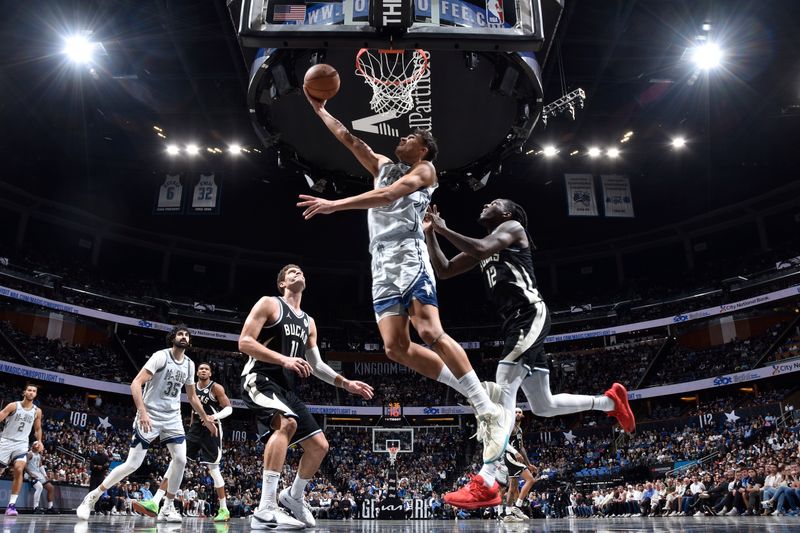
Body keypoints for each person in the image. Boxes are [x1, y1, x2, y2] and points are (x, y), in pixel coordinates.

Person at [298, 91, 510, 470]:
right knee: (395, 348)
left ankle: (484, 408)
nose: (400, 140)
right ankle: (476, 393)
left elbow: (390, 195)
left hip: (409, 253)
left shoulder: (426, 171)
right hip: (380, 262)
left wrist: (335, 205)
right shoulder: (381, 164)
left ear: (425, 148)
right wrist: (320, 110)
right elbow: (349, 138)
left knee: (430, 332)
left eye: (409, 137)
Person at [423, 200, 635, 507]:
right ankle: (609, 401)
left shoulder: (512, 228)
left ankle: (487, 479)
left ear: (507, 214)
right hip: (514, 322)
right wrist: (432, 233)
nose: (486, 204)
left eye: (494, 203)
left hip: (529, 315)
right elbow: (443, 270)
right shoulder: (482, 244)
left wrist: (443, 228)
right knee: (543, 404)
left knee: (503, 388)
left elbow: (483, 249)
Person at [239, 264, 375, 530]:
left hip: (287, 389)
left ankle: (293, 496)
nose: (297, 273)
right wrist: (284, 359)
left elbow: (317, 365)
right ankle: (265, 509)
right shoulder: (269, 304)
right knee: (287, 423)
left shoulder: (308, 322)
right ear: (281, 283)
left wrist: (345, 383)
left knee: (319, 446)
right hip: (260, 377)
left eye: (300, 271)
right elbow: (244, 342)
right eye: (291, 272)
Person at [76, 324, 217, 522]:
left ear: (189, 341)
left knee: (181, 460)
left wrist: (206, 418)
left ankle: (167, 507)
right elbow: (136, 383)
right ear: (173, 338)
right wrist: (142, 412)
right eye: (180, 334)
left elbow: (192, 397)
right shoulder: (161, 356)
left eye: (187, 334)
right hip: (150, 414)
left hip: (172, 417)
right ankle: (92, 497)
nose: (184, 336)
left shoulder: (189, 364)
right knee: (132, 464)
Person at [141, 362, 233, 522]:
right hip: (195, 430)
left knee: (213, 470)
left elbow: (229, 408)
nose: (203, 371)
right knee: (176, 461)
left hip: (212, 430)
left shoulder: (215, 388)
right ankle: (156, 501)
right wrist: (191, 426)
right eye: (201, 369)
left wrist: (214, 417)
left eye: (206, 369)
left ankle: (224, 509)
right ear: (197, 372)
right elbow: (193, 409)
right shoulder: (191, 387)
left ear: (210, 373)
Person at [0, 383, 43, 516]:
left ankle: (11, 505)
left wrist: (39, 441)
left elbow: (37, 429)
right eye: (29, 390)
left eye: (33, 391)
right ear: (24, 392)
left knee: (19, 468)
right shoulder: (13, 405)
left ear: (35, 394)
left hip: (21, 444)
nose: (31, 392)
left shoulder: (37, 411)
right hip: (5, 442)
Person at [502, 408, 537, 522]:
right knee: (531, 480)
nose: (517, 413)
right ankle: (517, 506)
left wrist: (529, 464)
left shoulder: (519, 429)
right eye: (515, 412)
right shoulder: (510, 426)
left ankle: (507, 514)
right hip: (510, 457)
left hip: (516, 458)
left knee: (512, 488)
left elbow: (521, 447)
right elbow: (503, 442)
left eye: (519, 412)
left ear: (523, 415)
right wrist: (515, 452)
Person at [25, 441, 56, 513]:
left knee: (51, 488)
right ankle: (35, 508)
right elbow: (25, 465)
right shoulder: (29, 454)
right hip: (30, 474)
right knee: (39, 487)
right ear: (32, 446)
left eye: (39, 445)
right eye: (36, 444)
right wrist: (30, 474)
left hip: (38, 474)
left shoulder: (39, 455)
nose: (38, 446)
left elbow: (40, 466)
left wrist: (45, 475)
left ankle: (50, 508)